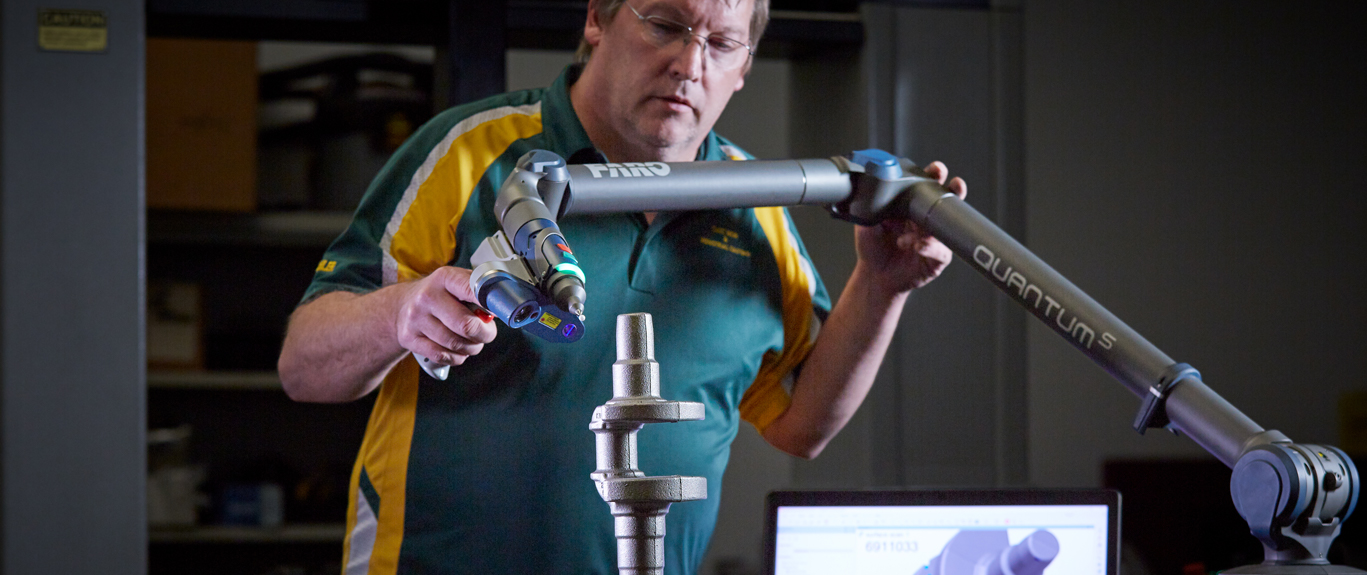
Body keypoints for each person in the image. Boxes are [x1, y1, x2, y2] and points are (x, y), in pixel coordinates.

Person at [277, 0, 966, 571]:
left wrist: (882, 285)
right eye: (666, 25)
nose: (689, 65)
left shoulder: (761, 209)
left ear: (744, 67)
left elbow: (801, 422)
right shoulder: (467, 155)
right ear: (598, 20)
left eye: (722, 43)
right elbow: (304, 367)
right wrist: (400, 313)